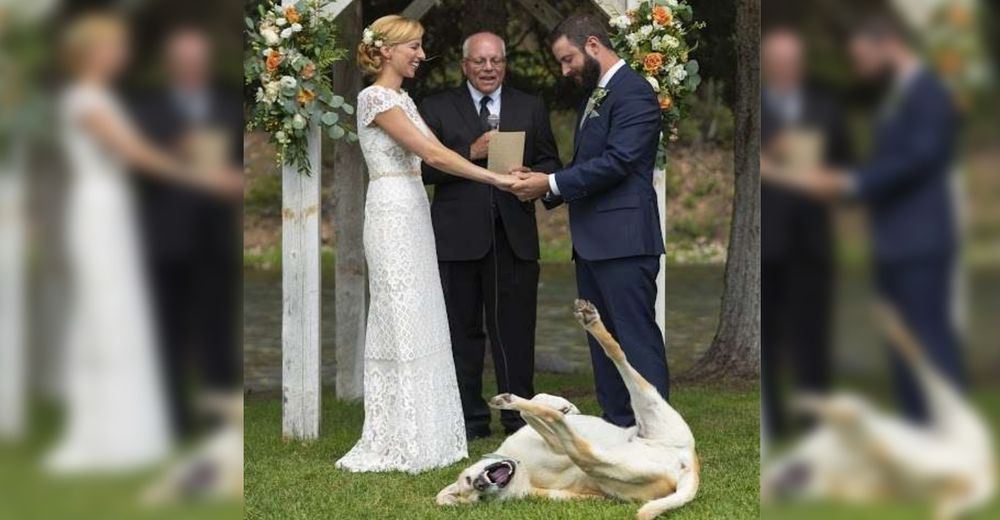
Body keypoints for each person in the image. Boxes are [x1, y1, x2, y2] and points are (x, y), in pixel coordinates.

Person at [48, 12, 238, 472]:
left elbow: (145, 152)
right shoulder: (88, 100)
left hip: (117, 212)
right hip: (101, 211)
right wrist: (209, 178)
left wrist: (186, 158)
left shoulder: (101, 98)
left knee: (123, 314)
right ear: (94, 52)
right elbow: (135, 155)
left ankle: (138, 422)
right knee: (111, 312)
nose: (123, 56)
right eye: (115, 48)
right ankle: (114, 428)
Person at [335, 15, 516, 473]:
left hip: (415, 210)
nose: (420, 54)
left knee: (423, 313)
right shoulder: (374, 97)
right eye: (413, 47)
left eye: (420, 46)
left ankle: (430, 430)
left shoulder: (402, 98)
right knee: (400, 314)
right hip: (391, 211)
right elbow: (433, 155)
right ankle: (399, 433)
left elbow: (443, 151)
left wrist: (490, 161)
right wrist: (494, 177)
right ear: (388, 51)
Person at [763, 15, 965, 423]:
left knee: (927, 338)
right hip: (896, 242)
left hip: (920, 240)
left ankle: (947, 432)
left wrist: (852, 183)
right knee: (902, 341)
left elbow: (917, 160)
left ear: (886, 45)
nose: (859, 68)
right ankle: (918, 428)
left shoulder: (927, 92)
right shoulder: (900, 97)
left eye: (862, 58)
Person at [509, 15, 667, 428]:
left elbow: (619, 162)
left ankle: (656, 431)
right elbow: (587, 166)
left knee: (635, 338)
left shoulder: (633, 92)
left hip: (626, 241)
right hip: (594, 242)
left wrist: (552, 181)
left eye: (568, 59)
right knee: (603, 340)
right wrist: (542, 182)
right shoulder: (596, 95)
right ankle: (618, 424)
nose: (565, 70)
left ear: (593, 44)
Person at [418, 31, 562, 440]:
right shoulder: (437, 107)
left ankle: (520, 420)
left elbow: (551, 161)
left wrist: (532, 175)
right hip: (456, 240)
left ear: (505, 64)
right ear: (464, 65)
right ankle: (469, 420)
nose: (488, 68)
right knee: (461, 334)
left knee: (515, 333)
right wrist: (470, 153)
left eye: (496, 61)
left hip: (513, 237)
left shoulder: (530, 106)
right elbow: (423, 171)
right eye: (480, 61)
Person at [130, 25, 243, 439]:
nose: (191, 67)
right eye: (183, 61)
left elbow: (237, 166)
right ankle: (171, 418)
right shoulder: (146, 109)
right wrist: (174, 156)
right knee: (168, 330)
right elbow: (131, 168)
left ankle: (220, 418)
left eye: (197, 60)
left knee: (217, 327)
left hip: (215, 234)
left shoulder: (227, 107)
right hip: (165, 235)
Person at [760, 27, 852, 438]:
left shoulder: (827, 108)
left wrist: (822, 178)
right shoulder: (757, 111)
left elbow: (849, 169)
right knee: (768, 338)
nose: (785, 68)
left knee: (812, 336)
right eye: (777, 61)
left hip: (813, 242)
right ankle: (773, 421)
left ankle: (817, 424)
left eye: (791, 61)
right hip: (768, 242)